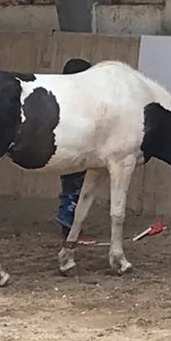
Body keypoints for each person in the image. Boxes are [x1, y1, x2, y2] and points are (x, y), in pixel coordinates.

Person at [56, 58, 92, 239]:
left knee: (72, 187)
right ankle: (68, 226)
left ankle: (68, 223)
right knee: (74, 187)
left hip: (67, 147)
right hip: (74, 148)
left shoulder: (62, 95)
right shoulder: (74, 99)